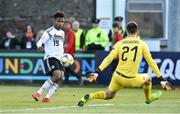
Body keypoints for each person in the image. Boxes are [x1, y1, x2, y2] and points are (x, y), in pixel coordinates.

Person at [77, 22, 172, 107]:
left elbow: (109, 58)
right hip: (131, 79)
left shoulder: (119, 43)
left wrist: (97, 71)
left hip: (117, 77)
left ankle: (90, 96)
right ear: (137, 31)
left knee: (109, 95)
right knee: (148, 78)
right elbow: (151, 61)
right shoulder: (142, 44)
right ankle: (148, 99)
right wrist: (161, 79)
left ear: (126, 31)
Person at [32, 11, 66, 103]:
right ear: (54, 21)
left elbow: (61, 46)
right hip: (50, 57)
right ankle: (38, 93)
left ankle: (47, 97)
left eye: (62, 21)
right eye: (59, 21)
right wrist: (39, 46)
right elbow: (40, 42)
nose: (61, 23)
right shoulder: (48, 32)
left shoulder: (62, 33)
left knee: (61, 77)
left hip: (60, 59)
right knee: (57, 75)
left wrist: (64, 56)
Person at [64, 21, 83, 85]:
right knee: (67, 69)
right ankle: (78, 78)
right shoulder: (66, 33)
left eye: (67, 25)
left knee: (67, 69)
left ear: (70, 25)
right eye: (65, 24)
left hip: (69, 54)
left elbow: (70, 45)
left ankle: (78, 78)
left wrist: (65, 52)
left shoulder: (71, 33)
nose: (66, 26)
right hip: (67, 54)